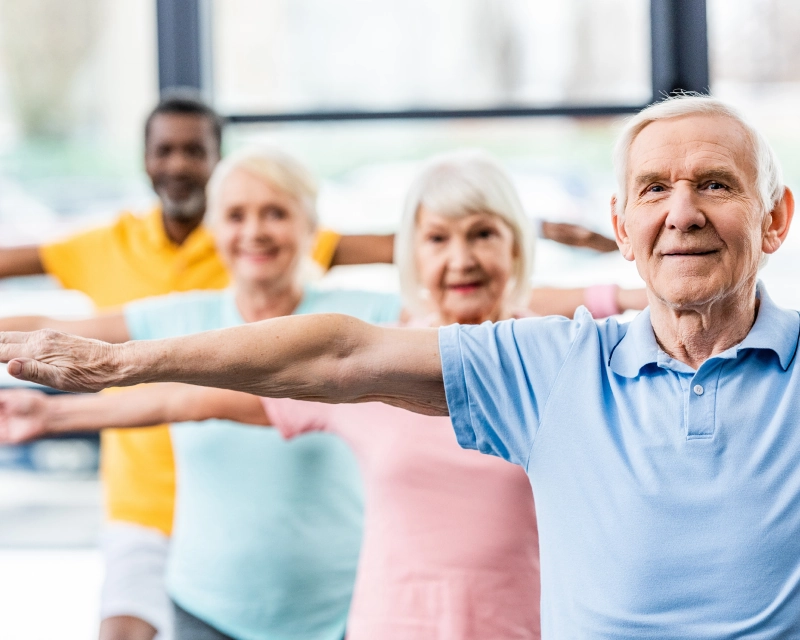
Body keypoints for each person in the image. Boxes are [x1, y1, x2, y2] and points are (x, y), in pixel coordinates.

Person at [4, 94, 799, 638]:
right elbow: (327, 356)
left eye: (716, 185)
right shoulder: (550, 366)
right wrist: (103, 372)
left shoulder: (553, 331)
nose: (683, 211)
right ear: (624, 226)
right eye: (655, 188)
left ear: (774, 219)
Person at [0, 93, 397, 640]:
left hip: (339, 601)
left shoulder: (356, 316)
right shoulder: (166, 300)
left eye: (275, 214)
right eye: (236, 216)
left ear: (311, 228)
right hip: (189, 572)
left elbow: (424, 263)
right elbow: (49, 315)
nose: (254, 230)